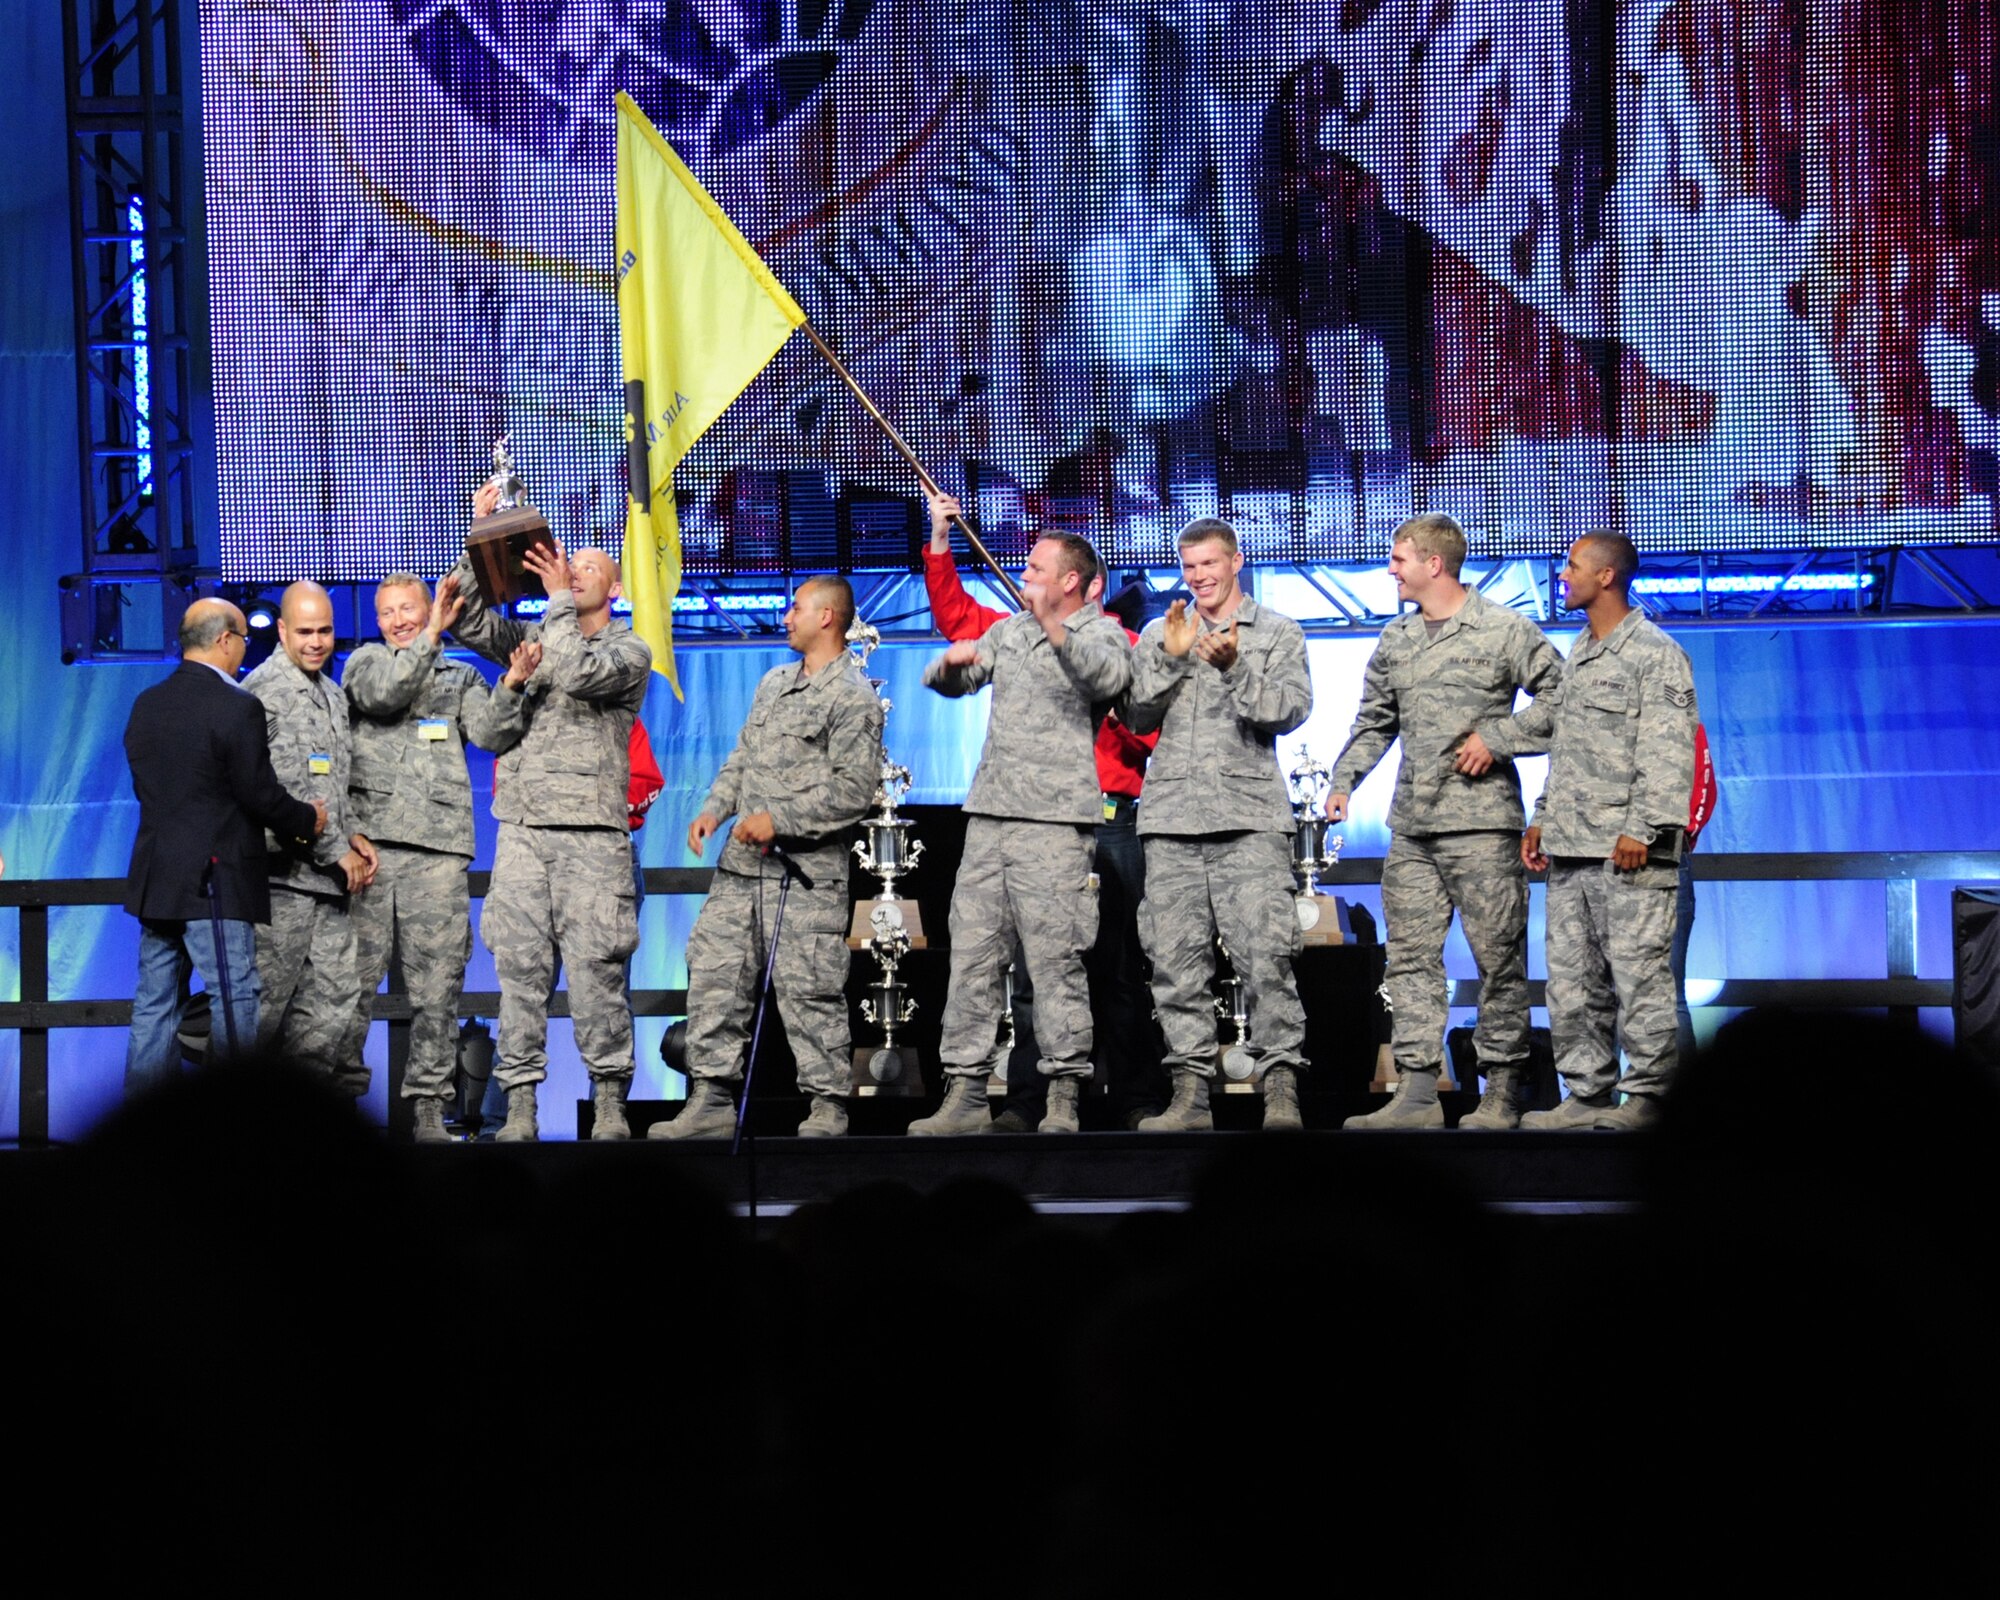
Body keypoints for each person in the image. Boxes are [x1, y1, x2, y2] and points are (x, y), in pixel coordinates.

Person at [921, 488, 1166, 1129]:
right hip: (991, 818)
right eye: (1024, 568)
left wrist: (1055, 625)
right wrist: (946, 669)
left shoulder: (1107, 634)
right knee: (973, 955)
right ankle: (967, 1090)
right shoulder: (1009, 630)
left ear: (1071, 581)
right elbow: (963, 678)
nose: (1022, 574)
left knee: (1057, 963)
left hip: (1057, 827)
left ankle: (1062, 1092)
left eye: (1034, 568)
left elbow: (1106, 682)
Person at [1327, 513, 1566, 1129]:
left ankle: (1502, 1091)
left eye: (1399, 558)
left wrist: (1500, 736)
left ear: (1434, 563)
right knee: (1408, 961)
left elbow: (1564, 699)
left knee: (1498, 962)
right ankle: (1415, 1091)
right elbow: (1374, 720)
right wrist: (1343, 781)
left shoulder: (1503, 629)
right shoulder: (1397, 639)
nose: (1390, 569)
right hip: (1413, 827)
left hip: (1482, 826)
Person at [651, 577, 885, 1139]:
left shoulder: (853, 697)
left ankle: (827, 1105)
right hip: (740, 870)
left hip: (802, 877)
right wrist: (715, 808)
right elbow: (742, 756)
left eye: (795, 608)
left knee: (809, 990)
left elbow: (856, 790)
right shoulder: (774, 683)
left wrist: (779, 819)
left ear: (827, 616)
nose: (785, 617)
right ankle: (709, 1101)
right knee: (715, 977)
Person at [1480, 532, 1699, 1131]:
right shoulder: (1579, 651)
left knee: (1640, 978)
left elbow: (1669, 751)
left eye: (1573, 566)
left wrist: (1646, 827)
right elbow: (1570, 750)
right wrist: (1544, 816)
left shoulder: (1654, 652)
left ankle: (1651, 1099)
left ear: (1605, 576)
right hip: (1572, 847)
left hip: (1629, 850)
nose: (1563, 575)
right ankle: (1588, 1094)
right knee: (1573, 983)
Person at [452, 490, 652, 1142]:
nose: (573, 571)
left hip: (593, 840)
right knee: (519, 974)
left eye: (587, 567)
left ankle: (612, 1105)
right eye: (570, 567)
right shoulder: (533, 637)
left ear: (614, 588)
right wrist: (482, 530)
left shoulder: (629, 652)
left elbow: (575, 670)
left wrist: (558, 598)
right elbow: (466, 617)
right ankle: (518, 1110)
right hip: (524, 834)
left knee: (598, 975)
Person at [1126, 517, 1314, 1131]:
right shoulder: (1162, 629)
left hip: (1249, 821)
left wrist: (1236, 667)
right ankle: (1189, 1095)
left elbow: (1289, 712)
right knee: (1175, 965)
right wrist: (1172, 661)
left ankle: (1280, 1088)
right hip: (1173, 819)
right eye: (1190, 566)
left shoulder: (1278, 631)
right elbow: (1134, 712)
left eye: (1210, 564)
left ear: (1235, 562)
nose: (1199, 576)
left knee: (1267, 959)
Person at [340, 572, 536, 1142]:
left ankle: (428, 1108)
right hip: (371, 854)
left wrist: (512, 686)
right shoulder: (364, 665)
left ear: (434, 611)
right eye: (388, 612)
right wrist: (426, 640)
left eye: (410, 608)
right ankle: (339, 1109)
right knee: (349, 988)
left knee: (437, 991)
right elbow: (387, 695)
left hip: (439, 855)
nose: (398, 619)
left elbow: (492, 733)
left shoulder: (462, 675)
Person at [122, 600, 326, 1091]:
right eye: (241, 639)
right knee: (235, 999)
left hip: (157, 881)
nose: (243, 649)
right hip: (215, 884)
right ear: (224, 640)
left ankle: (144, 1135)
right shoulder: (238, 707)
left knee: (155, 1002)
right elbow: (258, 794)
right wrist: (307, 819)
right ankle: (235, 1129)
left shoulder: (145, 704)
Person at [243, 582, 378, 1085]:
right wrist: (334, 848)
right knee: (260, 1017)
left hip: (328, 888)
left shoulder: (333, 694)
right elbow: (283, 789)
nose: (316, 641)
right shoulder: (263, 692)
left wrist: (355, 833)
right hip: (280, 883)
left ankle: (307, 1139)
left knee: (330, 1010)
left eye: (324, 630)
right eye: (304, 631)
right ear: (281, 630)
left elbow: (334, 782)